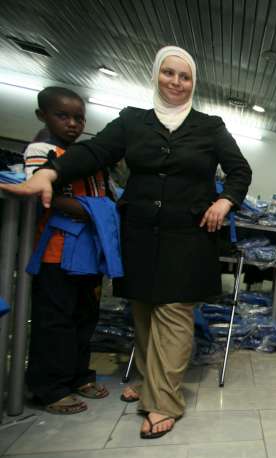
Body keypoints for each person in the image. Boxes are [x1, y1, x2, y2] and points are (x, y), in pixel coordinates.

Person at [0, 46, 252, 438]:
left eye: (184, 76)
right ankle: (154, 383)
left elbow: (240, 170)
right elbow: (94, 151)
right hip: (139, 236)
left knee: (173, 314)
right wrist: (52, 171)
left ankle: (164, 402)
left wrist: (225, 199)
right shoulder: (133, 122)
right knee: (145, 314)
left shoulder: (210, 126)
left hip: (188, 237)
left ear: (194, 82)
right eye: (168, 73)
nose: (176, 82)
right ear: (156, 75)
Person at [23, 86, 113, 414]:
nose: (73, 124)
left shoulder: (88, 158)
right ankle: (48, 388)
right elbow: (47, 196)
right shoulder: (42, 153)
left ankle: (78, 375)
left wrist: (103, 209)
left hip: (88, 253)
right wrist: (99, 210)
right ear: (42, 116)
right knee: (54, 320)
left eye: (79, 118)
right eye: (63, 116)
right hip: (56, 252)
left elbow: (105, 197)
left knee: (84, 318)